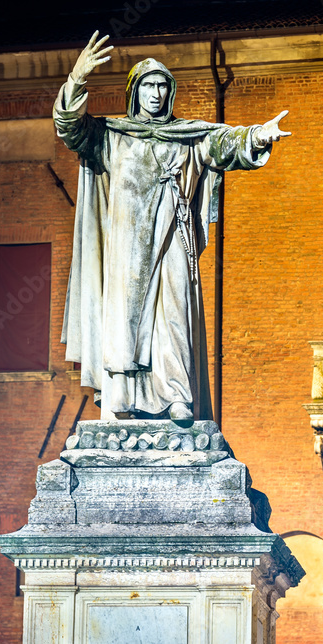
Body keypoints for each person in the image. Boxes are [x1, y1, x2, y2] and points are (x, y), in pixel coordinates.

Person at [54, 32, 290, 421]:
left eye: (163, 86)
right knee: (126, 319)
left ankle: (177, 395)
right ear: (135, 92)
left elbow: (223, 143)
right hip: (126, 245)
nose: (157, 93)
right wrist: (77, 79)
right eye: (148, 85)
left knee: (175, 312)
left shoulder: (187, 137)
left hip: (175, 236)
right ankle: (123, 397)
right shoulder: (110, 136)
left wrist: (258, 135)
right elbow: (69, 128)